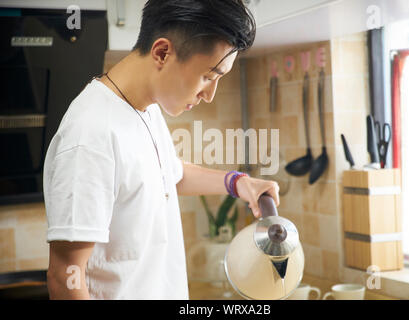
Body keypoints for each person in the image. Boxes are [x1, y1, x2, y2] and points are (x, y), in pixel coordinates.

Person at [44, 0, 280, 300]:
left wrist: (239, 182)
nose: (210, 95)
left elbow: (170, 176)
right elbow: (64, 276)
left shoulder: (145, 108)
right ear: (162, 53)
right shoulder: (91, 135)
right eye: (209, 76)